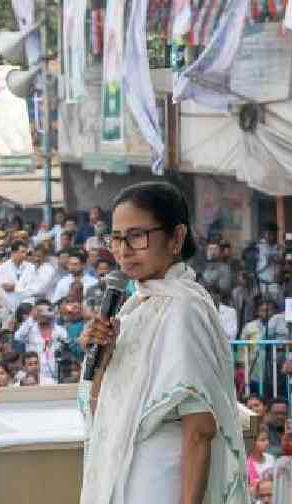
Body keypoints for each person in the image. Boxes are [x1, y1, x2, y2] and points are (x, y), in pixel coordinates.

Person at [77, 181, 248, 504]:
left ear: (176, 238)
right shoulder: (134, 308)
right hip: (124, 479)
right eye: (117, 238)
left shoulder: (184, 308)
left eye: (137, 236)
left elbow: (200, 428)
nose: (124, 249)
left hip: (161, 482)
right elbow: (104, 409)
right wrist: (102, 361)